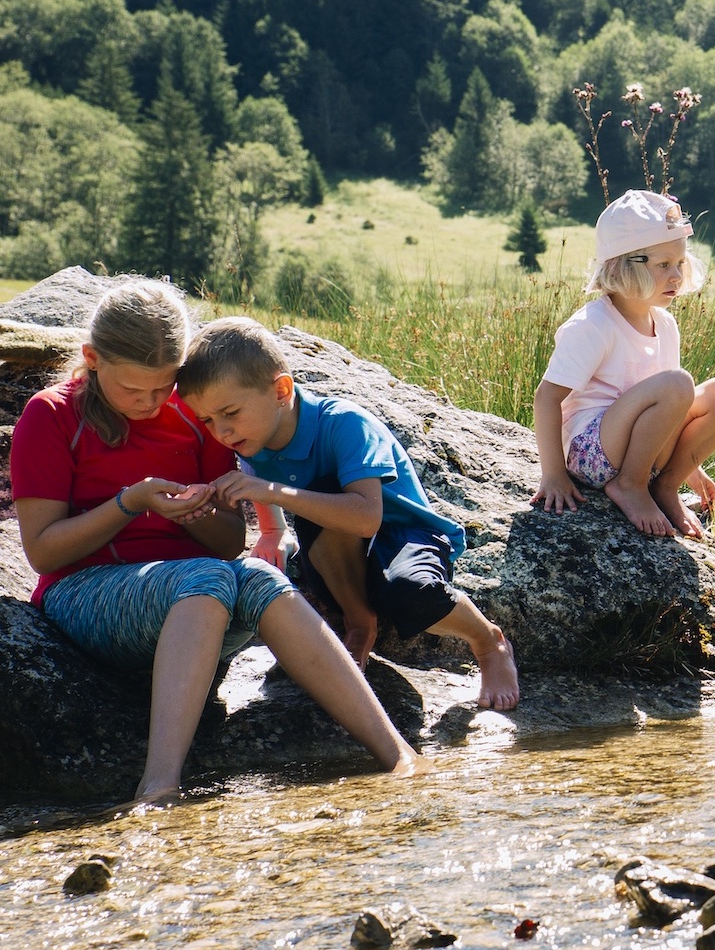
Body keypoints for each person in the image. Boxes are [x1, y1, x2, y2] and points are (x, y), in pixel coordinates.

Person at [10, 279, 417, 808]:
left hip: (200, 601)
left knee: (260, 576)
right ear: (92, 359)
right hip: (84, 595)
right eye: (133, 390)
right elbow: (43, 552)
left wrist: (195, 511)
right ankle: (158, 787)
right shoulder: (50, 415)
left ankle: (399, 757)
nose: (150, 402)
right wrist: (130, 503)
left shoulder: (194, 415)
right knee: (205, 577)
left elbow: (228, 544)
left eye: (163, 387)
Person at [178, 317, 522, 712]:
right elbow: (259, 477)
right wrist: (271, 530)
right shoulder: (252, 437)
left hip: (403, 535)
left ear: (281, 390)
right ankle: (359, 623)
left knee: (411, 593)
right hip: (341, 557)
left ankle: (488, 641)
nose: (221, 432)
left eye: (230, 412)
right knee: (315, 518)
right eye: (208, 420)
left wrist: (271, 492)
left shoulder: (344, 424)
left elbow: (366, 518)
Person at [530, 189, 715, 539]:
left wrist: (690, 467)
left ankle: (665, 487)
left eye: (680, 263)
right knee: (678, 383)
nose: (676, 276)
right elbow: (546, 398)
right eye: (663, 265)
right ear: (624, 267)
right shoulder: (594, 325)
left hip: (644, 451)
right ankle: (629, 485)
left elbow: (671, 409)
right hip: (593, 453)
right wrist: (553, 474)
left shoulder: (666, 325)